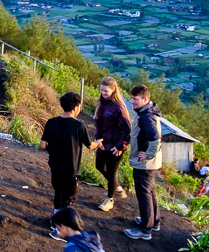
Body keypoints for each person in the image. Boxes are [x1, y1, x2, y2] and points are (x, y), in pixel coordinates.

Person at [40, 92, 91, 237]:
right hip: (71, 169)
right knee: (68, 200)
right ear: (75, 108)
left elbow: (43, 145)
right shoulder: (79, 125)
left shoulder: (51, 122)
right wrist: (99, 143)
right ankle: (59, 230)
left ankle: (54, 221)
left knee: (58, 193)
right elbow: (90, 145)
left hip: (55, 166)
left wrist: (53, 149)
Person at [125, 85, 163, 241]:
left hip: (145, 164)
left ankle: (145, 229)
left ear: (145, 99)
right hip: (150, 164)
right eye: (131, 98)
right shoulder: (148, 112)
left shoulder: (146, 117)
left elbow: (155, 139)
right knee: (150, 191)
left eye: (135, 99)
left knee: (143, 195)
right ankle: (154, 221)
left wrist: (148, 154)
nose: (132, 102)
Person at [91, 76, 132, 211]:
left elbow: (127, 129)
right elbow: (98, 123)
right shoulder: (101, 103)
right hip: (103, 143)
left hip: (115, 146)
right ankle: (117, 188)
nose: (103, 93)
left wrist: (120, 146)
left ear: (113, 89)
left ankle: (110, 200)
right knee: (99, 166)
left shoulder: (119, 107)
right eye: (102, 90)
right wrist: (98, 139)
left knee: (111, 172)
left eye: (106, 91)